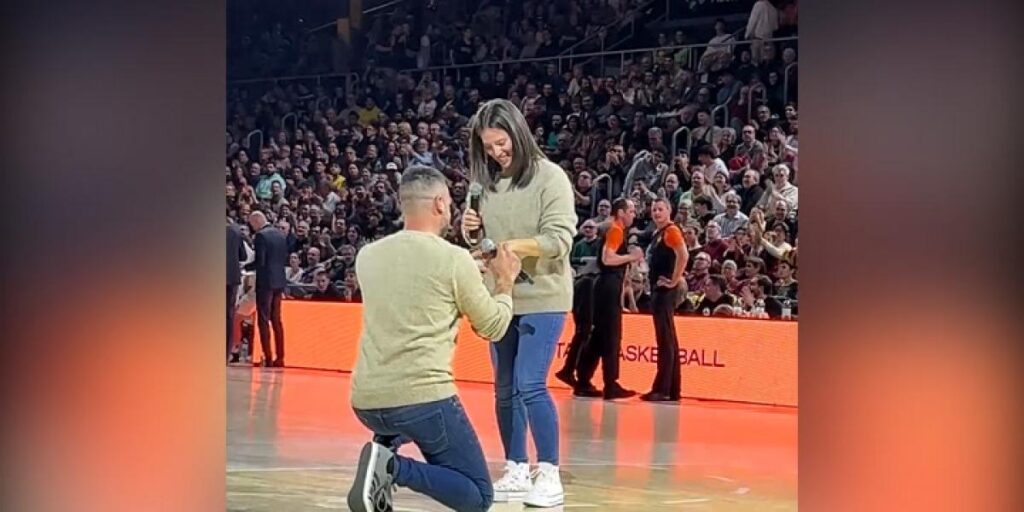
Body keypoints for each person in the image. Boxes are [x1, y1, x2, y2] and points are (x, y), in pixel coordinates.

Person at [347, 165, 522, 512]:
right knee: (478, 496)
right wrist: (504, 283)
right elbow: (493, 327)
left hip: (366, 399)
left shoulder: (367, 256)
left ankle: (383, 451)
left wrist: (464, 272)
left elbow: (414, 286)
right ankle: (392, 468)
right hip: (421, 398)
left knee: (400, 419)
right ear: (440, 203)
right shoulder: (454, 259)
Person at [460, 98, 577, 507]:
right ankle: (515, 466)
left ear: (518, 133)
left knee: (530, 383)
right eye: (488, 147)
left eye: (502, 143)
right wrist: (471, 231)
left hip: (544, 296)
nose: (496, 152)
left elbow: (559, 240)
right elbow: (481, 244)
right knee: (505, 387)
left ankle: (549, 472)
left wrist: (512, 248)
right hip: (501, 297)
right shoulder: (484, 185)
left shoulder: (551, 177)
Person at [574, 198, 645, 401]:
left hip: (606, 286)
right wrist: (631, 257)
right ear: (621, 213)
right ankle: (610, 384)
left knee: (599, 336)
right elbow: (607, 258)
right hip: (608, 286)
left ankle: (583, 379)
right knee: (611, 336)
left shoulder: (614, 229)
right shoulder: (615, 230)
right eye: (631, 211)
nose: (634, 215)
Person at [643, 198, 688, 402]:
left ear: (669, 210)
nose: (656, 213)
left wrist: (674, 280)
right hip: (657, 289)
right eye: (654, 209)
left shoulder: (671, 231)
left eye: (660, 209)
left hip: (664, 291)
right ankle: (669, 388)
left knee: (666, 340)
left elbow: (683, 255)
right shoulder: (659, 233)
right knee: (666, 339)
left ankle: (664, 389)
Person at [556, 219, 601, 387]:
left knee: (584, 330)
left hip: (584, 284)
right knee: (584, 329)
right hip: (584, 283)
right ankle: (569, 369)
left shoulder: (596, 243)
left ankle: (570, 369)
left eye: (591, 227)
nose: (588, 230)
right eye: (586, 227)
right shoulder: (578, 245)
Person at [247, 211, 289, 367]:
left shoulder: (261, 236)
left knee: (263, 320)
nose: (252, 228)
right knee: (277, 320)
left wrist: (245, 267)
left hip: (265, 282)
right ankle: (280, 356)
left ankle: (268, 357)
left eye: (252, 224)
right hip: (279, 280)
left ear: (257, 221)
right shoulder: (280, 234)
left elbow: (260, 262)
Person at [226, 222, 246, 361]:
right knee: (229, 316)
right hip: (232, 278)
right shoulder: (235, 231)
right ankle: (225, 354)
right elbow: (243, 256)